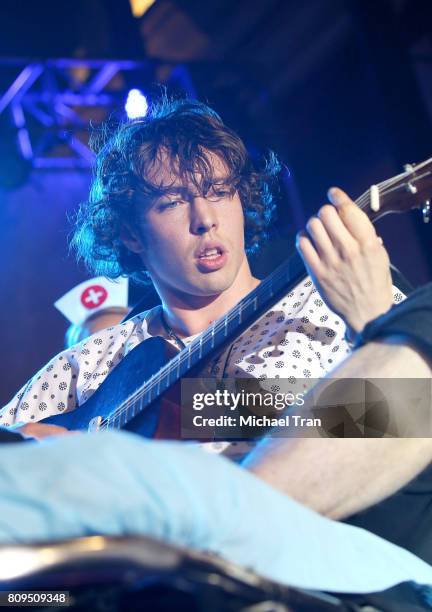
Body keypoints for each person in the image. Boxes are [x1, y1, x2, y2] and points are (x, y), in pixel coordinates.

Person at [1, 96, 430, 563]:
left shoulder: (328, 300)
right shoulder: (91, 360)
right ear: (129, 234)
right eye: (172, 202)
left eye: (220, 192)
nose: (205, 219)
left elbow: (410, 409)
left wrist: (369, 321)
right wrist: (40, 454)